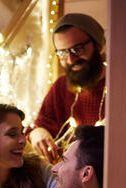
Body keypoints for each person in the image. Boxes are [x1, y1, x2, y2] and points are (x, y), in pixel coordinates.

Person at [29, 13, 106, 162]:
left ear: (96, 44)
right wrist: (38, 133)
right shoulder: (61, 87)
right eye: (63, 53)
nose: (71, 59)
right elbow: (40, 125)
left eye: (77, 49)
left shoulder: (119, 84)